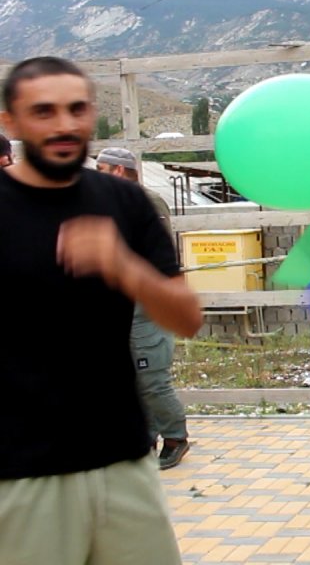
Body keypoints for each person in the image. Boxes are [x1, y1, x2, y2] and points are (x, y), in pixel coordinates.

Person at [0, 56, 202, 565]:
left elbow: (187, 319)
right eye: (43, 111)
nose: (65, 125)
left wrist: (124, 267)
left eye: (77, 109)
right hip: (20, 475)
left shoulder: (125, 203)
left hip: (123, 463)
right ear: (10, 121)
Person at [97, 146, 191, 470]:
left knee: (151, 374)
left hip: (148, 301)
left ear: (120, 172)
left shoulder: (145, 203)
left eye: (102, 170)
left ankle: (176, 436)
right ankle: (146, 436)